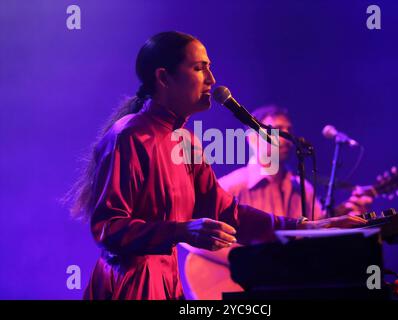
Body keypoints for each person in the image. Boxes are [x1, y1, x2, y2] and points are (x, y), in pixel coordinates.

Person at [66, 31, 366, 300]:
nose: (211, 79)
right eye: (199, 68)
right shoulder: (130, 134)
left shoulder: (186, 141)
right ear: (163, 78)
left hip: (168, 281)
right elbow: (108, 227)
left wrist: (305, 226)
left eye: (209, 67)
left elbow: (226, 211)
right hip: (130, 286)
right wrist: (179, 231)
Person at [219, 105, 373, 220]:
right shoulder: (230, 186)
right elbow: (200, 239)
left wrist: (347, 212)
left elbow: (317, 228)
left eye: (289, 131)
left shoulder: (303, 188)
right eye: (277, 130)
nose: (286, 138)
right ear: (252, 139)